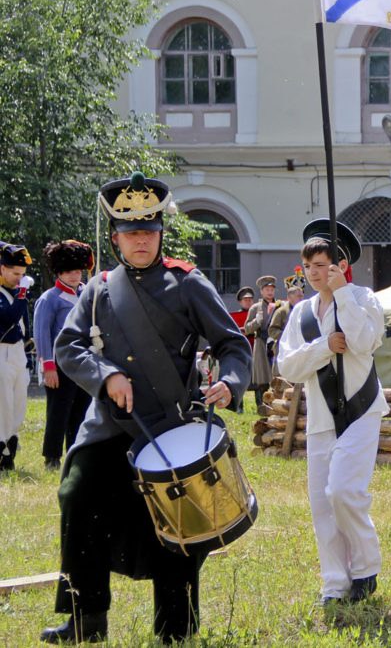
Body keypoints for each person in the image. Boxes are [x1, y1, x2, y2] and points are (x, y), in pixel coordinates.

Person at [42, 172, 251, 644]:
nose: (141, 241)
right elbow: (70, 347)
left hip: (169, 425)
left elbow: (233, 345)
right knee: (77, 496)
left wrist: (230, 384)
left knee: (176, 530)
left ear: (160, 234)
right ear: (116, 239)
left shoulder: (187, 284)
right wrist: (107, 375)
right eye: (131, 233)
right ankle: (84, 618)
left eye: (149, 232)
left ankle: (175, 628)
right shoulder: (97, 290)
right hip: (111, 427)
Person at [277, 219, 388, 604]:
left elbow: (363, 341)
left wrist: (342, 296)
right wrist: (324, 346)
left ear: (340, 266)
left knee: (342, 491)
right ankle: (335, 584)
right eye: (309, 267)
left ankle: (365, 568)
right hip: (322, 417)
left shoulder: (363, 298)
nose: (314, 274)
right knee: (322, 506)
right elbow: (288, 367)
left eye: (323, 265)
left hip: (360, 411)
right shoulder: (301, 314)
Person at [34, 240, 95, 470]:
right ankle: (52, 457)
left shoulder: (86, 294)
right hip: (59, 365)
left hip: (83, 363)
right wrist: (48, 366)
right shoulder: (49, 298)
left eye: (78, 270)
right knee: (58, 412)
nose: (74, 276)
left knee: (81, 410)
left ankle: (74, 452)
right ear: (59, 272)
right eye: (69, 271)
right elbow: (41, 334)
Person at [0, 242, 33, 472]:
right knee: (3, 405)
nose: (19, 278)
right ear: (2, 269)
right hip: (1, 351)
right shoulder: (13, 295)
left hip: (18, 352)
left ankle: (10, 448)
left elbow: (24, 326)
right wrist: (22, 295)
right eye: (15, 273)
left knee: (19, 405)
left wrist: (28, 356)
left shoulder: (16, 293)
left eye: (22, 274)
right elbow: (7, 319)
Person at [244, 275, 282, 408]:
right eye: (267, 289)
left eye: (272, 289)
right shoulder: (255, 308)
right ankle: (261, 405)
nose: (270, 292)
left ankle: (278, 405)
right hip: (261, 343)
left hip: (276, 343)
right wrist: (257, 321)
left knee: (278, 375)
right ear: (261, 291)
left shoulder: (280, 306)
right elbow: (247, 328)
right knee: (262, 377)